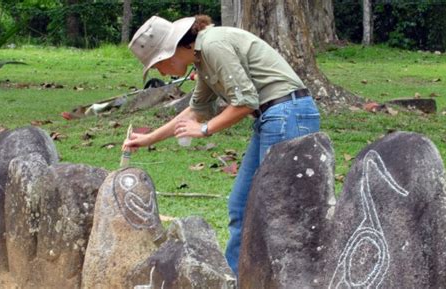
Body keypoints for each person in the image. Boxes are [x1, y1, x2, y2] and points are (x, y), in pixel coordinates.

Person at [122, 15, 320, 275]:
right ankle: (237, 278)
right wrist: (147, 139)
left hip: (288, 114)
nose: (160, 72)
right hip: (271, 119)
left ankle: (293, 278)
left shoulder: (214, 45)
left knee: (277, 211)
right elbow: (195, 111)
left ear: (172, 52)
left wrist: (205, 130)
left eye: (158, 64)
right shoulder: (201, 59)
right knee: (240, 205)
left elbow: (245, 101)